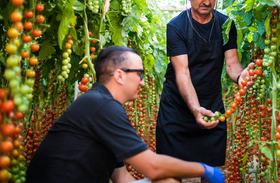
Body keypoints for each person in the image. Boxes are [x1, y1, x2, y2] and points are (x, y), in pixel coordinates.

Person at [26, 46, 225, 183]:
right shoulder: (101, 105)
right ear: (120, 75)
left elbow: (122, 178)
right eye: (139, 74)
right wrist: (205, 169)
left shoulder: (103, 104)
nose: (143, 82)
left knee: (167, 180)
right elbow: (152, 167)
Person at [156, 0, 253, 176]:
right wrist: (194, 108)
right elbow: (182, 73)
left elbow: (232, 64)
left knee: (210, 169)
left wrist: (241, 77)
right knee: (171, 170)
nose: (207, 1)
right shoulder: (176, 27)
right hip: (178, 107)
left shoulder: (226, 24)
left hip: (211, 103)